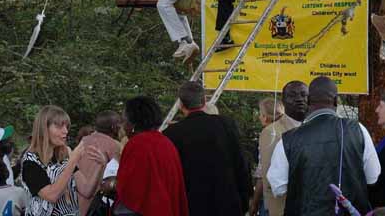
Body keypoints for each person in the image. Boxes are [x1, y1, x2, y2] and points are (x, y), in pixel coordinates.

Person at [267, 76, 381, 216]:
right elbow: (373, 176)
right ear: (335, 100)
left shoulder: (288, 139)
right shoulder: (357, 130)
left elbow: (278, 187)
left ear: (308, 100)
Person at [163, 81, 252, 216]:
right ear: (204, 101)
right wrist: (245, 199)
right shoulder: (225, 125)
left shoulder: (172, 134)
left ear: (181, 105)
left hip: (192, 206)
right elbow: (241, 163)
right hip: (228, 203)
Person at [20, 105, 107, 216]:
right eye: (59, 126)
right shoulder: (30, 162)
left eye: (66, 126)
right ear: (44, 129)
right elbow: (52, 195)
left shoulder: (64, 156)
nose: (65, 131)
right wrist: (73, 160)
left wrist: (101, 166)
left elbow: (87, 190)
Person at [114, 96, 189, 216]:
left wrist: (110, 185)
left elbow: (129, 189)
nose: (122, 125)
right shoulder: (165, 141)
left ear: (133, 123)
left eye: (124, 120)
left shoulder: (137, 144)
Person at [253, 81, 309, 216]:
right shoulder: (271, 132)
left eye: (303, 95)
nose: (299, 99)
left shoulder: (316, 128)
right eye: (293, 95)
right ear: (283, 101)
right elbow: (268, 179)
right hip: (283, 208)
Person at [77, 111, 122, 216]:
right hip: (94, 198)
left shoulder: (84, 140)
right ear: (113, 127)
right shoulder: (113, 145)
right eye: (119, 124)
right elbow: (122, 170)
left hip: (77, 194)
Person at [250, 98, 285, 216]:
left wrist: (254, 203)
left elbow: (262, 174)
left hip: (271, 199)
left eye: (260, 114)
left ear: (265, 117)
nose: (259, 117)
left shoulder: (268, 134)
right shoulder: (292, 129)